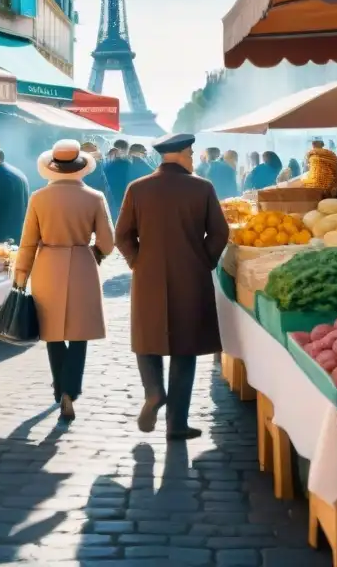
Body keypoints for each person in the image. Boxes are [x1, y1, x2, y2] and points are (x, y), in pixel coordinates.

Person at [115, 132, 229, 441]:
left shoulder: (137, 189)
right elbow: (220, 233)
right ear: (178, 154)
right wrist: (203, 260)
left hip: (147, 274)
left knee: (146, 336)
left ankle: (153, 392)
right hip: (191, 274)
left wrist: (137, 261)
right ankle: (176, 423)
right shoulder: (202, 188)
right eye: (190, 154)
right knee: (185, 347)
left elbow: (122, 235)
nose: (193, 159)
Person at [14, 140, 115, 422]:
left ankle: (61, 390)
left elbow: (27, 243)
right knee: (79, 334)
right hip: (82, 264)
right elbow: (108, 242)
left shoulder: (38, 198)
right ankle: (71, 389)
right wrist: (94, 252)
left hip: (47, 264)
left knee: (52, 333)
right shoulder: (94, 197)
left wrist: (21, 275)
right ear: (80, 168)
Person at [103, 139, 132, 220]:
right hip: (124, 197)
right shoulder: (128, 164)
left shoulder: (106, 164)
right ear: (125, 150)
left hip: (109, 198)